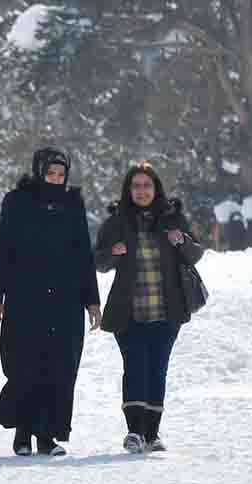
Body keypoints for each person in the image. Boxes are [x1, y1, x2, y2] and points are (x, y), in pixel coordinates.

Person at [0, 147, 101, 457]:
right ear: (39, 172)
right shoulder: (18, 201)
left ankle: (48, 435)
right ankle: (23, 432)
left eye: (61, 175)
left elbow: (83, 254)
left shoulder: (72, 203)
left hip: (66, 298)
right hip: (26, 296)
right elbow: (4, 249)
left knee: (61, 368)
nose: (56, 180)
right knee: (25, 364)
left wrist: (92, 300)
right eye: (50, 174)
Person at [94, 162, 203, 453]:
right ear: (128, 191)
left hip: (168, 312)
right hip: (128, 312)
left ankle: (152, 434)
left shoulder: (173, 218)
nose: (142, 191)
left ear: (156, 189)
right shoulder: (116, 222)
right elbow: (99, 261)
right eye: (136, 186)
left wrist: (182, 242)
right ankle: (134, 432)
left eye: (147, 185)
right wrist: (112, 253)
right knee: (135, 368)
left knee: (157, 369)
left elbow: (195, 254)